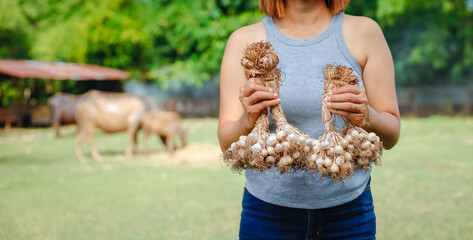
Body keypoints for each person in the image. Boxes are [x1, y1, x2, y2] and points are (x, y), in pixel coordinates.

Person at [217, 0, 400, 239]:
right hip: (266, 215)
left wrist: (368, 117)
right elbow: (226, 141)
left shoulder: (366, 32)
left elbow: (391, 134)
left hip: (349, 215)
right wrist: (247, 120)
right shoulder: (243, 41)